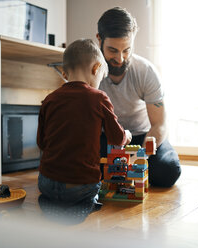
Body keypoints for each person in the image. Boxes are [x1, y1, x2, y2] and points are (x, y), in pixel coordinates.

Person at [36, 39, 132, 211]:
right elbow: (117, 139)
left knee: (52, 189)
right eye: (100, 78)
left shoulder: (49, 100)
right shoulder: (98, 98)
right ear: (96, 69)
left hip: (46, 183)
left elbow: (41, 143)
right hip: (79, 187)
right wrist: (128, 135)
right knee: (95, 187)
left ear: (65, 73)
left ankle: (51, 201)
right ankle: (85, 203)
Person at [97, 7, 181, 187]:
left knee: (167, 171)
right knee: (87, 169)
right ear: (99, 40)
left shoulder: (146, 71)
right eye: (112, 50)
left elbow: (159, 124)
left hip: (142, 136)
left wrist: (140, 156)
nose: (120, 58)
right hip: (108, 138)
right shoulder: (91, 72)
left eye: (126, 50)